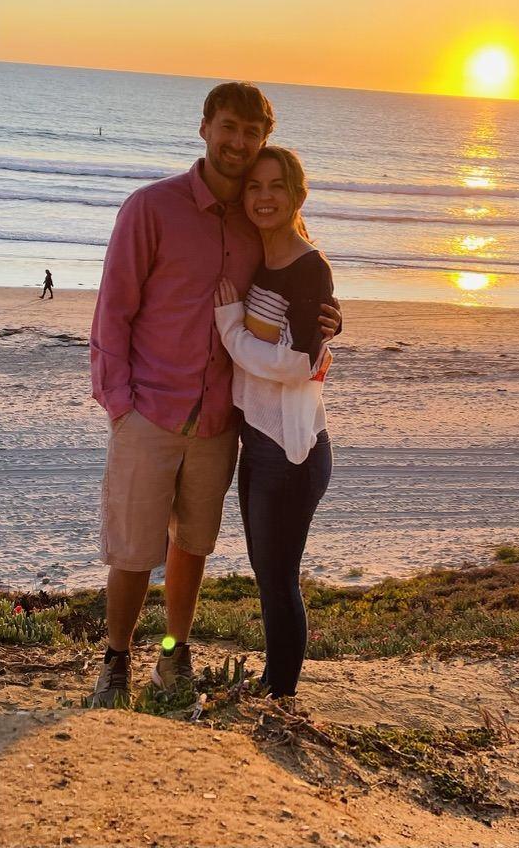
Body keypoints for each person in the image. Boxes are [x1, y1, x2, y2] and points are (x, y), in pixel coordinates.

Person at [88, 83, 342, 707]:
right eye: (228, 127)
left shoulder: (258, 221)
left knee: (192, 547)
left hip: (221, 421)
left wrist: (325, 323)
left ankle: (171, 657)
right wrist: (118, 402)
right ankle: (116, 663)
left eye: (252, 133)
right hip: (148, 410)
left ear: (264, 140)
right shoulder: (151, 208)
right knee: (133, 551)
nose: (238, 142)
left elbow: (294, 292)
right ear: (205, 127)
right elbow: (113, 311)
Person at [214, 146, 335, 700]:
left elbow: (298, 364)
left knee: (278, 578)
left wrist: (230, 329)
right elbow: (307, 347)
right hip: (258, 440)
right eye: (254, 186)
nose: (264, 197)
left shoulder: (309, 266)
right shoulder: (260, 257)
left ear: (297, 195)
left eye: (276, 186)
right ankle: (273, 686)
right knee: (267, 573)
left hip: (291, 451)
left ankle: (280, 695)